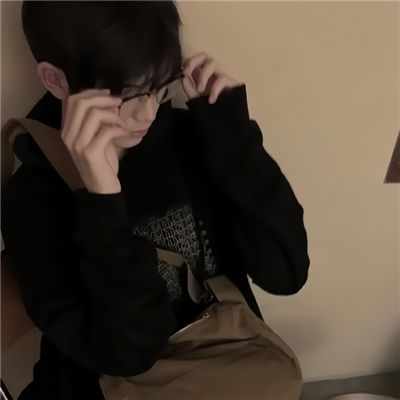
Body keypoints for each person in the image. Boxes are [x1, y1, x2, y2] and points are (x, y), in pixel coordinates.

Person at [1, 1, 310, 399]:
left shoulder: (188, 138)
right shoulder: (34, 196)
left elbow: (286, 273)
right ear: (55, 79)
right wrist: (101, 199)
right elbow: (132, 353)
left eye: (160, 86)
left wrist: (233, 133)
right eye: (128, 95)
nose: (146, 113)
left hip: (221, 372)